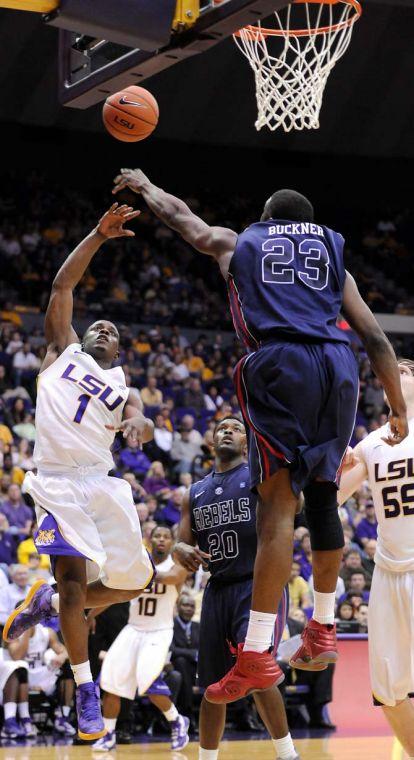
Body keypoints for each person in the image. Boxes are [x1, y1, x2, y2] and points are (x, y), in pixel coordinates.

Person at [113, 168, 407, 701]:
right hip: (338, 370)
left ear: (267, 219)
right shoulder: (333, 259)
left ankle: (254, 655)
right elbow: (375, 337)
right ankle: (322, 627)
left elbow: (186, 223)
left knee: (275, 506)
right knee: (322, 500)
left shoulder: (242, 241)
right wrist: (399, 407)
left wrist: (147, 185)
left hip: (278, 365)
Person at [2, 203, 155, 740]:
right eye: (98, 324)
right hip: (57, 483)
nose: (103, 326)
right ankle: (85, 686)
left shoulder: (123, 385)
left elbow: (140, 417)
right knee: (72, 584)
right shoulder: (59, 352)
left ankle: (41, 603)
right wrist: (97, 234)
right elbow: (62, 286)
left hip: (102, 482)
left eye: (112, 330)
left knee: (134, 584)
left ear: (117, 351)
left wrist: (141, 425)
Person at [174, 416, 298, 760]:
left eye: (236, 427)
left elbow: (294, 507)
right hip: (217, 589)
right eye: (221, 428)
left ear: (247, 443)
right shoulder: (194, 492)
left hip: (258, 584)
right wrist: (179, 548)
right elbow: (180, 544)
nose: (227, 431)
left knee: (257, 667)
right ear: (212, 442)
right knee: (212, 686)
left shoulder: (260, 474)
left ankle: (288, 754)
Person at [337, 358, 414, 758]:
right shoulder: (370, 444)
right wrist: (330, 462)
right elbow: (331, 498)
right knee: (386, 686)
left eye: (401, 370)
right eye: (386, 373)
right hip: (386, 571)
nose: (391, 375)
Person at [92, 526, 189, 752]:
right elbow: (115, 593)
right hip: (133, 629)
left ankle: (176, 720)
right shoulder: (138, 564)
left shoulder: (177, 566)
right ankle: (108, 734)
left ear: (172, 541)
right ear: (150, 539)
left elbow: (170, 578)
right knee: (110, 681)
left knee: (147, 681)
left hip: (159, 631)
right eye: (157, 536)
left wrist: (135, 572)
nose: (161, 540)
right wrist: (90, 615)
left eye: (166, 537)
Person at [7, 623, 76, 736]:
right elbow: (17, 657)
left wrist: (62, 656)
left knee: (67, 668)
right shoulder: (12, 634)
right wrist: (25, 635)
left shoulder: (47, 632)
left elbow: (65, 651)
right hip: (19, 677)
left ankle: (62, 717)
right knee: (20, 666)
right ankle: (25, 720)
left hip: (41, 675)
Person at [170, 594, 200, 725]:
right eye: (185, 605)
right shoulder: (169, 625)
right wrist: (193, 654)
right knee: (181, 661)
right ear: (177, 607)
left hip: (196, 670)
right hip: (175, 668)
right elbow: (171, 650)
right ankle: (188, 713)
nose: (189, 608)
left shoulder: (199, 626)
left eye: (192, 606)